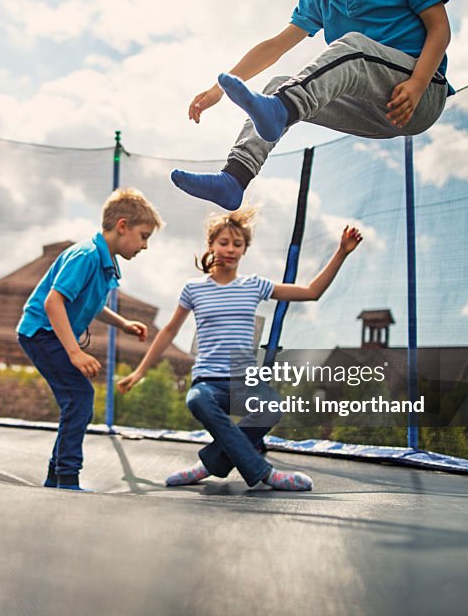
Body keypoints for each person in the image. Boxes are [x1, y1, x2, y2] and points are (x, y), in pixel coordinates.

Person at [172, 0, 453, 210]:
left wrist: (418, 83)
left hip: (422, 93)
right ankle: (233, 179)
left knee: (352, 48)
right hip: (372, 112)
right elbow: (275, 46)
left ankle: (281, 109)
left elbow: (439, 28)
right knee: (278, 86)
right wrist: (216, 90)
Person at [117, 208, 362, 490]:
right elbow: (169, 331)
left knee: (271, 407)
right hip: (208, 381)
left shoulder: (253, 286)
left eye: (237, 244)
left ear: (245, 249)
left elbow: (311, 292)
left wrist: (342, 252)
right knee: (197, 400)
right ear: (211, 245)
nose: (230, 249)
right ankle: (266, 474)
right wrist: (139, 372)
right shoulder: (193, 289)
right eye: (224, 243)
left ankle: (209, 464)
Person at [17, 188, 163, 491]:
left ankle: (56, 476)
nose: (145, 246)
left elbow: (92, 303)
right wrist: (74, 353)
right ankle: (66, 478)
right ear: (122, 226)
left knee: (77, 400)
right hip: (41, 333)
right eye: (144, 236)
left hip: (49, 335)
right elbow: (53, 303)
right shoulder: (85, 256)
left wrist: (122, 323)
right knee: (80, 398)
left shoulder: (103, 261)